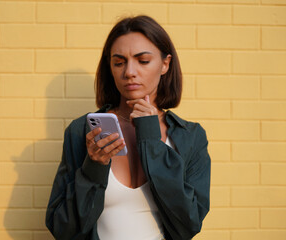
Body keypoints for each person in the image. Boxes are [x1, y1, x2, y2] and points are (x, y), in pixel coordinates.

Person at [46, 15, 211, 240]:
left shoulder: (190, 136)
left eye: (143, 61)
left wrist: (151, 140)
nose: (129, 72)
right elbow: (63, 230)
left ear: (165, 64)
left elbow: (188, 225)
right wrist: (93, 167)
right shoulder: (80, 132)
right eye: (119, 62)